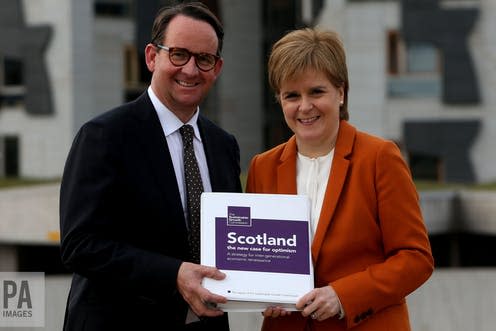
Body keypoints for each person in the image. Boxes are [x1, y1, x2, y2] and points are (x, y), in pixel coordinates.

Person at [59, 2, 241, 330]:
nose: (190, 69)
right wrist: (173, 274)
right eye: (179, 54)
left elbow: (232, 240)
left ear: (217, 68)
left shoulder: (223, 145)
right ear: (151, 57)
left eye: (204, 59)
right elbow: (80, 244)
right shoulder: (104, 136)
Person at [246, 28, 434, 331]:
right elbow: (258, 261)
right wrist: (258, 295)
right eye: (292, 95)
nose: (304, 106)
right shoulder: (262, 167)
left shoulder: (379, 157)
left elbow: (415, 259)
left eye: (316, 92)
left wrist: (342, 296)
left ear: (341, 92)